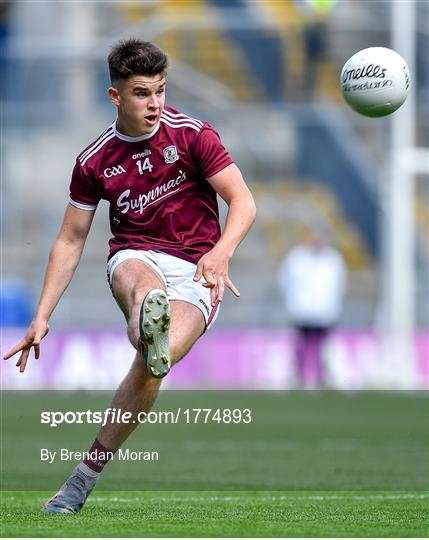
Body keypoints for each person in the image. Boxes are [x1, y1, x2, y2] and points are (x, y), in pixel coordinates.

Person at [3, 38, 256, 513]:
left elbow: (243, 200)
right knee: (142, 285)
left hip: (199, 269)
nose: (155, 103)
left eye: (160, 90)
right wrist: (41, 315)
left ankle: (80, 480)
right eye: (142, 93)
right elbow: (71, 239)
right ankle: (146, 317)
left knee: (155, 362)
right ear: (115, 96)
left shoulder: (193, 135)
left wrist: (222, 253)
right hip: (135, 254)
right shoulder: (95, 160)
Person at [278, 227, 347, 388]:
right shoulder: (297, 258)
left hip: (325, 311)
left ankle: (324, 377)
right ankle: (302, 378)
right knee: (302, 346)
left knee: (324, 347)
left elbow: (340, 284)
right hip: (302, 310)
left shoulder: (333, 259)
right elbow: (285, 281)